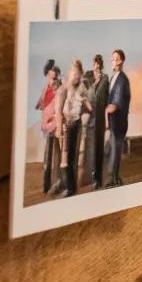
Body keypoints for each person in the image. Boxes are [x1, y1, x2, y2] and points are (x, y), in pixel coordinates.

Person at [54, 59, 85, 197]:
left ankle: (69, 186)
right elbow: (59, 111)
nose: (77, 77)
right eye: (75, 74)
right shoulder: (62, 89)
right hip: (66, 127)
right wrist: (60, 128)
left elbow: (82, 106)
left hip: (76, 126)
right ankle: (68, 187)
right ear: (70, 73)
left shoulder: (78, 89)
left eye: (79, 75)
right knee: (65, 157)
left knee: (73, 157)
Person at [105, 48, 130, 187]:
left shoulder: (122, 79)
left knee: (115, 151)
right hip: (113, 123)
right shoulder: (113, 77)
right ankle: (114, 179)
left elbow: (115, 105)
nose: (111, 60)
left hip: (119, 123)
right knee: (111, 150)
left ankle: (114, 180)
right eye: (111, 58)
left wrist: (104, 113)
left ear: (120, 61)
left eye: (114, 58)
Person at [35, 61, 61, 195]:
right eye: (51, 71)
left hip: (56, 125)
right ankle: (46, 186)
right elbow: (41, 105)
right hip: (47, 125)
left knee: (55, 154)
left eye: (55, 71)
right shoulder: (45, 89)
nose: (54, 73)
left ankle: (55, 184)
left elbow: (62, 104)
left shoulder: (59, 87)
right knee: (48, 155)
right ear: (48, 73)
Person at [84, 54, 109, 189]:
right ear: (93, 63)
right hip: (89, 118)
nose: (96, 65)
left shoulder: (105, 78)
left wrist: (106, 118)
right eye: (95, 63)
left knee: (99, 148)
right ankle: (88, 178)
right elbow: (83, 92)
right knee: (90, 149)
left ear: (101, 65)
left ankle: (98, 180)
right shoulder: (88, 76)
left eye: (99, 63)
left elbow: (107, 98)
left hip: (99, 118)